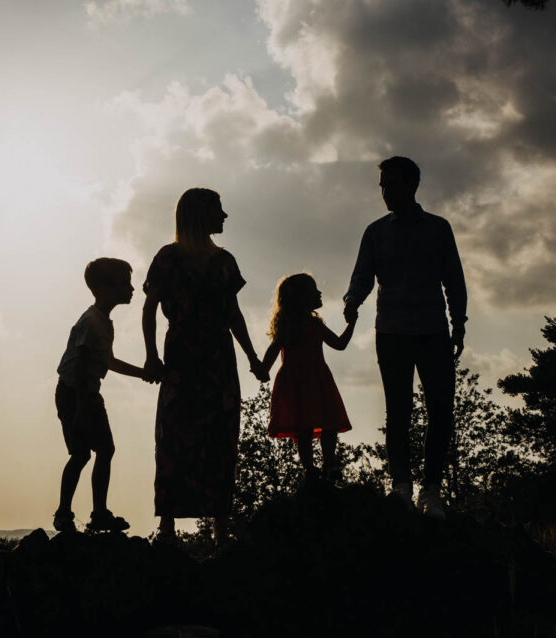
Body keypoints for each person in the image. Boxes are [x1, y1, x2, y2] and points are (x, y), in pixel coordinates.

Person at [142, 187, 268, 547]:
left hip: (218, 359)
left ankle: (220, 528)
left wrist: (252, 357)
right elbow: (150, 308)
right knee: (173, 435)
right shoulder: (168, 257)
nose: (224, 216)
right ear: (199, 214)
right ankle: (167, 527)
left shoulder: (225, 262)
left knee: (220, 437)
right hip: (182, 358)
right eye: (218, 209)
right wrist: (151, 356)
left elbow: (233, 315)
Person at [344, 156, 467, 519]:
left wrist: (459, 322)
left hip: (432, 330)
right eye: (382, 185)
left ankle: (431, 490)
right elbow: (362, 275)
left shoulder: (438, 229)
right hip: (391, 331)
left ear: (412, 185)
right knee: (398, 411)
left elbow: (453, 278)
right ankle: (401, 485)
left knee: (441, 409)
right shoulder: (375, 232)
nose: (384, 192)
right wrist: (352, 301)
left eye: (391, 185)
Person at [53, 258, 151, 533]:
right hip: (74, 394)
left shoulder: (104, 322)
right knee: (81, 454)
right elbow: (81, 366)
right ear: (105, 288)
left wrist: (144, 373)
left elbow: (109, 362)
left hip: (88, 393)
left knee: (105, 450)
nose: (132, 288)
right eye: (125, 283)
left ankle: (99, 514)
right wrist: (82, 410)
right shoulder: (91, 321)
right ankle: (63, 513)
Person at [262, 273, 356, 485]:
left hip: (311, 381)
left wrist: (263, 369)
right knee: (309, 426)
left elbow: (339, 344)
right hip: (305, 382)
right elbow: (274, 348)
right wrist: (263, 368)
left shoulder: (311, 324)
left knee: (321, 424)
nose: (320, 293)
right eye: (314, 290)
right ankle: (312, 469)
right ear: (301, 297)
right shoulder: (294, 326)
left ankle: (325, 465)